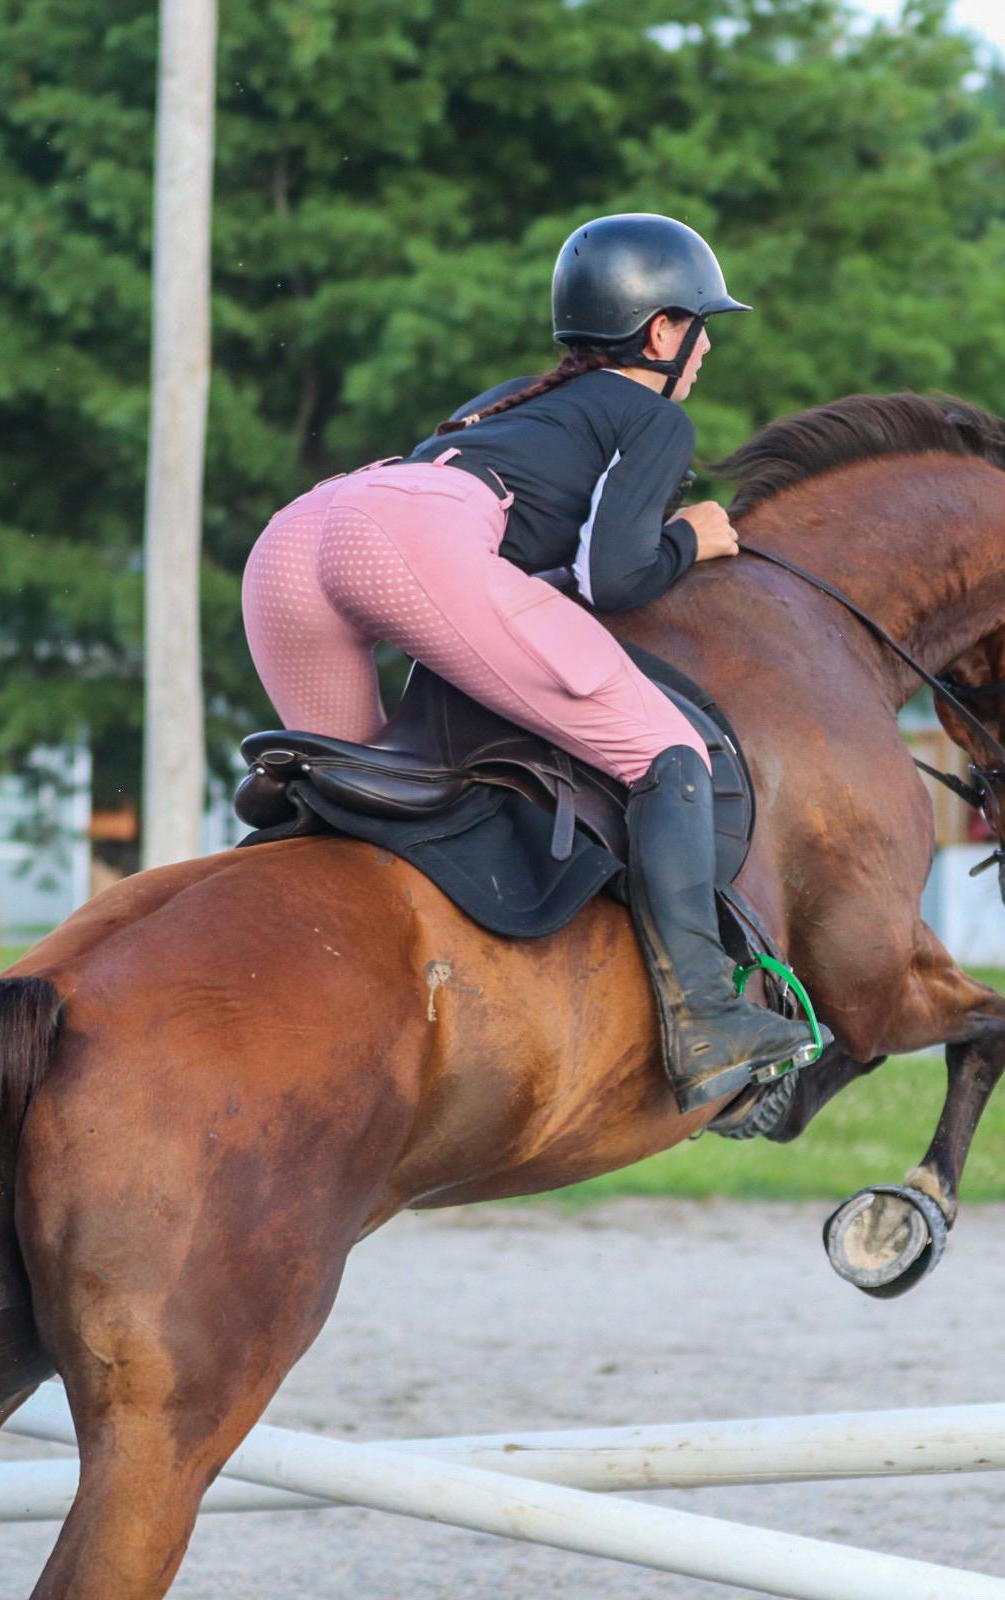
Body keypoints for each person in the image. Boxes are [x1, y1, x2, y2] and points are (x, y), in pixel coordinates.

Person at [241, 213, 821, 1113]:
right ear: (662, 330)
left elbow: (523, 565)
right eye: (701, 327)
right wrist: (691, 537)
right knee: (668, 753)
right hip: (408, 541)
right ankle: (706, 1018)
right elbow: (613, 577)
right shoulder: (651, 416)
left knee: (358, 790)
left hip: (299, 534)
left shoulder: (515, 396)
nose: (705, 350)